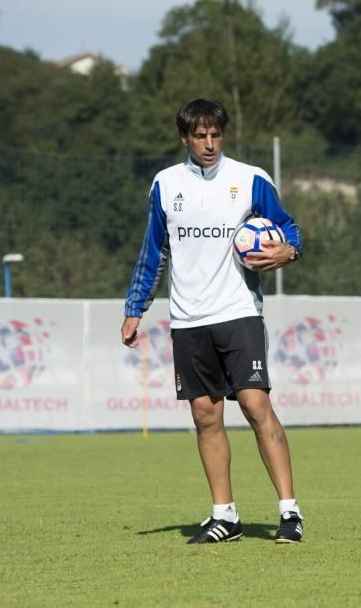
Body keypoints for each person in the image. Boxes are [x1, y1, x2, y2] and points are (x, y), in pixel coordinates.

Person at [122, 98, 305, 545]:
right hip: (187, 318)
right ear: (185, 137)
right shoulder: (165, 184)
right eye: (200, 136)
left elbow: (290, 229)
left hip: (238, 311)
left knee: (255, 404)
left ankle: (289, 512)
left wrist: (288, 250)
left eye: (216, 135)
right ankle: (225, 515)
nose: (209, 143)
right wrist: (134, 307)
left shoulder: (250, 179)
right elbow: (153, 251)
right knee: (205, 415)